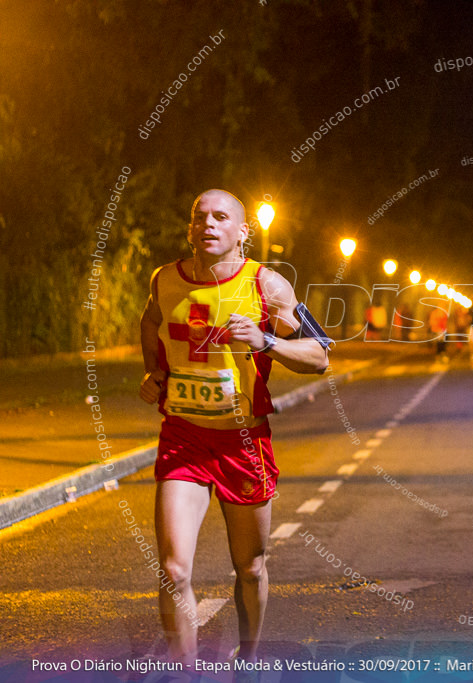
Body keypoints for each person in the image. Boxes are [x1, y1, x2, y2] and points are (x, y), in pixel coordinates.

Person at [139, 189, 330, 663]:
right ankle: (185, 672)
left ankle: (249, 660)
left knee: (249, 567)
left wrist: (266, 340)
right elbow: (151, 322)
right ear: (190, 228)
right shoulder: (164, 279)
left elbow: (320, 355)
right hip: (183, 438)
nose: (208, 224)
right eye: (199, 216)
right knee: (172, 567)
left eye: (221, 217)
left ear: (242, 231)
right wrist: (154, 371)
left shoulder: (269, 286)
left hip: (242, 443)